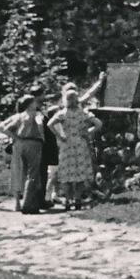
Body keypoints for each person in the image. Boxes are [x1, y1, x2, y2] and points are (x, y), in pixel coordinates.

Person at [48, 82, 102, 210]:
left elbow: (50, 124)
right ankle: (77, 199)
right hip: (80, 143)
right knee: (79, 173)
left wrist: (59, 136)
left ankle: (67, 200)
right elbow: (99, 124)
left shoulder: (62, 113)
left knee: (67, 174)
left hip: (67, 144)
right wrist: (88, 132)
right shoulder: (82, 113)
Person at [2, 95, 46, 213]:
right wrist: (43, 136)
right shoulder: (36, 114)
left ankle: (22, 202)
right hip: (34, 143)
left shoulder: (19, 116)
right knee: (33, 173)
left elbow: (5, 128)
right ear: (31, 103)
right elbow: (40, 124)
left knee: (20, 172)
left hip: (20, 143)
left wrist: (17, 138)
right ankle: (27, 203)